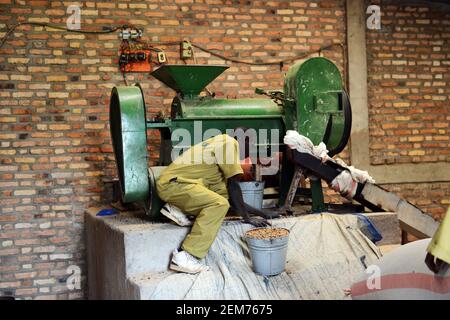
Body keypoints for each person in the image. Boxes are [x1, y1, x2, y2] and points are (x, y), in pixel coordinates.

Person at [156, 132, 276, 274]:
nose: (250, 152)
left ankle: (176, 207)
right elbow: (233, 185)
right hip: (173, 185)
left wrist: (263, 213)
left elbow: (233, 199)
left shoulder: (216, 155)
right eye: (252, 146)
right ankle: (185, 255)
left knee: (221, 200)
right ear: (244, 140)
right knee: (218, 204)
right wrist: (247, 218)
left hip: (175, 185)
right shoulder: (229, 143)